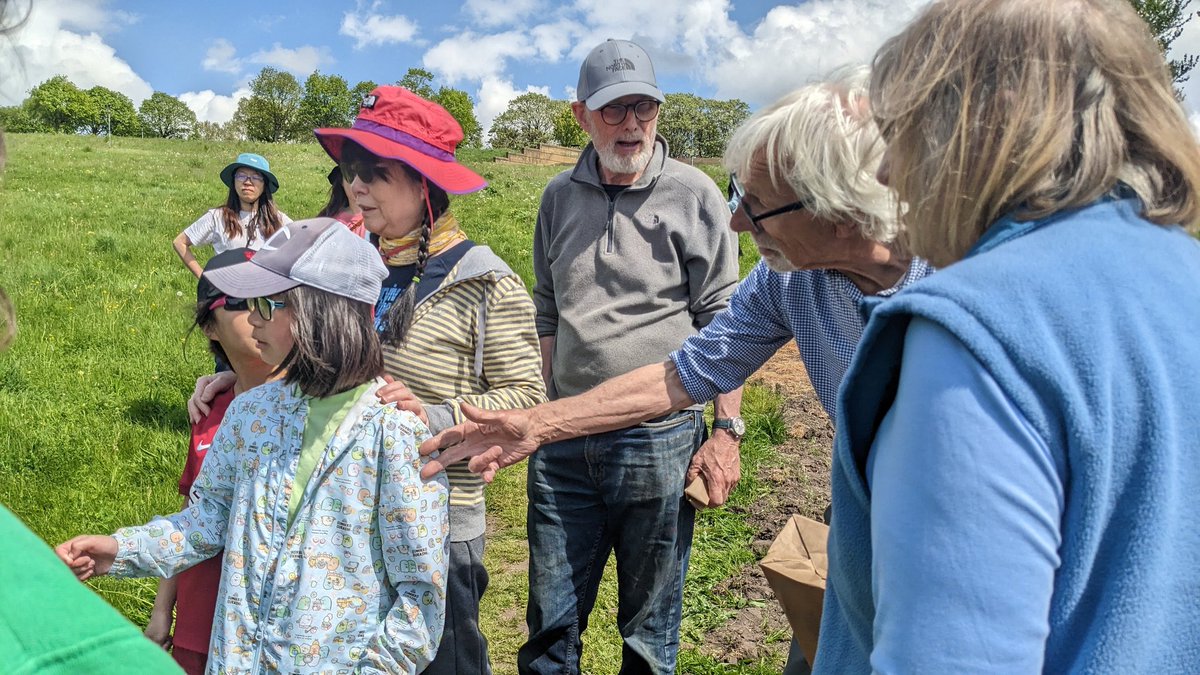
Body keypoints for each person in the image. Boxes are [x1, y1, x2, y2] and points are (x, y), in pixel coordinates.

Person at [416, 67, 931, 673]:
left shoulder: (968, 273)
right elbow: (683, 372)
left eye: (757, 205)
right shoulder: (785, 279)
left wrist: (725, 433)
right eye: (738, 196)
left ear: (838, 205)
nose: (736, 223)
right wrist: (540, 424)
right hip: (862, 518)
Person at [813, 0, 1200, 671]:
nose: (883, 175)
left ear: (980, 125)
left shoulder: (975, 330)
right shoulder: (1181, 277)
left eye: (902, 130)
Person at [189, 85, 547, 674]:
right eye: (350, 170)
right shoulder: (354, 266)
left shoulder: (487, 282)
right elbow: (332, 361)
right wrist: (251, 377)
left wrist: (431, 414)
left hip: (436, 516)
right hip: (345, 516)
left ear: (424, 184)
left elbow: (529, 398)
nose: (355, 186)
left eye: (375, 173)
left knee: (443, 660)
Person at [56, 218, 450, 673]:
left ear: (321, 311)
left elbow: (420, 598)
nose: (254, 320)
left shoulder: (395, 433)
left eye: (268, 304)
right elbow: (206, 521)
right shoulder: (249, 414)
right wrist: (121, 550)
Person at [508, 39, 741, 675]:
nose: (633, 124)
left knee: (650, 627)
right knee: (550, 623)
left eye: (644, 107)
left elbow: (726, 319)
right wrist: (551, 404)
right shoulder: (559, 196)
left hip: (658, 437)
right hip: (564, 442)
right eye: (615, 110)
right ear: (582, 114)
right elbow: (548, 306)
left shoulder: (694, 194)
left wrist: (725, 432)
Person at [143, 248, 275, 674]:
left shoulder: (313, 406)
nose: (259, 314)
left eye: (273, 296)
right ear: (209, 327)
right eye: (240, 302)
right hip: (200, 620)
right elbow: (191, 512)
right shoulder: (209, 408)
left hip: (272, 629)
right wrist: (163, 609)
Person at [171, 152, 291, 277]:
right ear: (234, 181)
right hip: (229, 294)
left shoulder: (279, 220)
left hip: (267, 292)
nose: (247, 182)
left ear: (264, 185)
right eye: (241, 176)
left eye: (256, 177)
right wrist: (205, 279)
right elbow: (180, 242)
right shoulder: (217, 217)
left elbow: (304, 248)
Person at [318, 165, 365, 237]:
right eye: (351, 175)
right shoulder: (330, 224)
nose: (357, 185)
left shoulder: (384, 221)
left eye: (364, 175)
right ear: (342, 181)